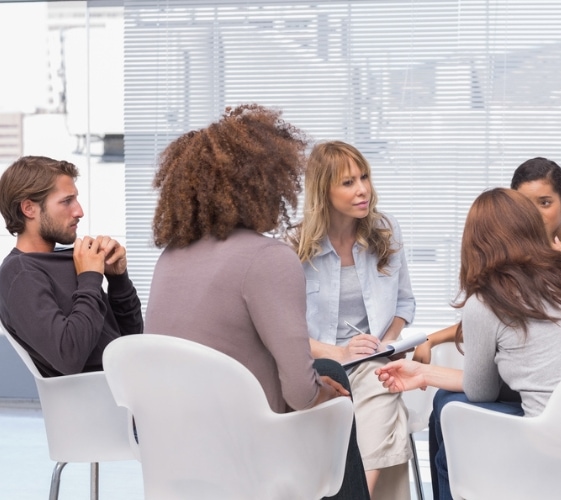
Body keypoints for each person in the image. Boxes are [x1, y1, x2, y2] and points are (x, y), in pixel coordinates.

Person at [143, 104, 369, 499]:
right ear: (266, 184)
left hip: (168, 446)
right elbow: (300, 393)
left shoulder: (171, 257)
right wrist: (324, 394)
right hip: (248, 445)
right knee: (333, 386)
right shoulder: (267, 258)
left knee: (326, 368)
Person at [375, 188, 561, 500]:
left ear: (476, 244)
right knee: (445, 402)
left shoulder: (487, 302)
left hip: (553, 446)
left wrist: (430, 378)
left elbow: (482, 393)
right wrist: (424, 373)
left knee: (447, 408)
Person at [289, 140, 416, 499]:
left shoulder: (386, 231)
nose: (363, 190)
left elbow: (405, 303)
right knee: (373, 398)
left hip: (372, 359)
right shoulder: (292, 246)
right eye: (347, 182)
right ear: (322, 192)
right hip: (321, 364)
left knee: (381, 383)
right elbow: (286, 331)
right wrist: (340, 352)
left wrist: (387, 342)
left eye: (364, 177)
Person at [413, 156, 561, 363]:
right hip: (520, 366)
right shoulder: (508, 253)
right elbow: (492, 320)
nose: (534, 215)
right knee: (445, 395)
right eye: (525, 205)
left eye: (545, 203)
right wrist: (430, 339)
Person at [0, 156, 143, 377]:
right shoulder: (20, 274)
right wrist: (89, 278)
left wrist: (118, 279)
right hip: (101, 399)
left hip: (131, 386)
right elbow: (69, 356)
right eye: (67, 201)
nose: (79, 211)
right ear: (29, 208)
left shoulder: (72, 260)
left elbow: (130, 340)